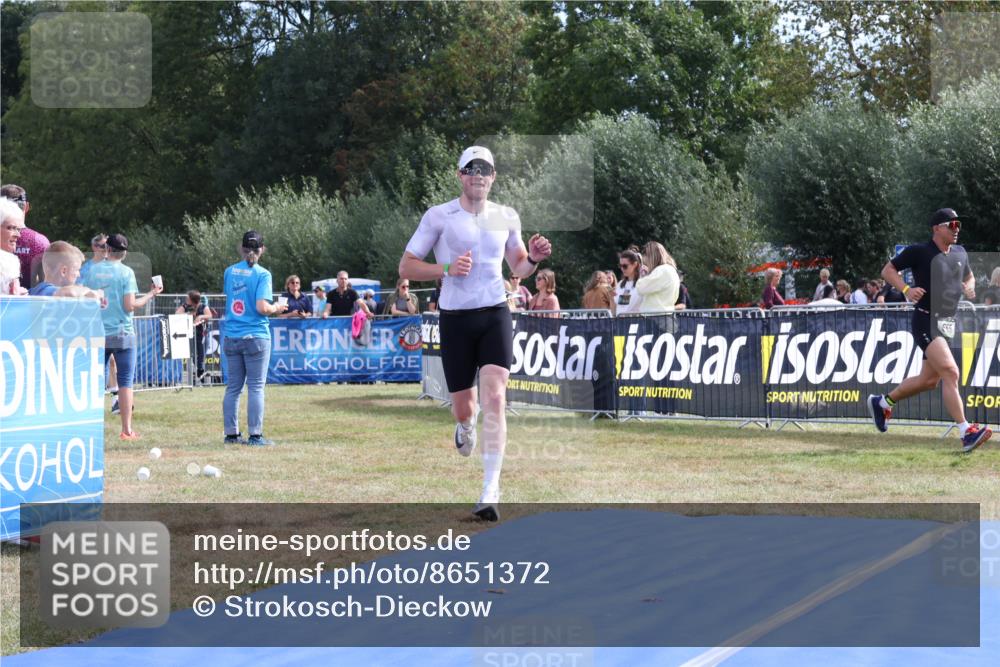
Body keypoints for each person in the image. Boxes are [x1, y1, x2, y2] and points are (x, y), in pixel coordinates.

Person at [399, 145, 552, 521]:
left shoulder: (506, 216)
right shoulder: (439, 216)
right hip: (455, 318)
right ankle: (465, 426)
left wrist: (533, 258)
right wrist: (445, 269)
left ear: (493, 176)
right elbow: (406, 265)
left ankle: (490, 490)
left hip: (496, 312)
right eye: (471, 168)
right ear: (460, 175)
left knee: (496, 397)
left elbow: (518, 265)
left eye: (485, 169)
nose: (478, 175)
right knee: (465, 408)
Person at [868, 208, 991, 452]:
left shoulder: (960, 252)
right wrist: (906, 290)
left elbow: (970, 276)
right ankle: (966, 431)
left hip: (947, 324)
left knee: (929, 380)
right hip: (926, 320)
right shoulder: (919, 251)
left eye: (958, 225)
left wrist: (969, 286)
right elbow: (887, 271)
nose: (957, 229)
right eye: (952, 225)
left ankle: (882, 402)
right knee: (951, 372)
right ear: (937, 228)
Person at [83, 233, 162, 440]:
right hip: (122, 333)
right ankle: (127, 430)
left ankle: (89, 429)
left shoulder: (90, 270)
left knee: (94, 382)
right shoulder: (126, 272)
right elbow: (130, 306)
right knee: (125, 381)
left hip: (96, 332)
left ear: (107, 249)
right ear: (125, 253)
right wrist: (151, 294)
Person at [222, 231, 288, 446]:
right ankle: (255, 436)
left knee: (233, 388)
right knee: (256, 387)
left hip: (232, 335)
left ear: (241, 249)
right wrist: (276, 307)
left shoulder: (229, 271)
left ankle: (231, 435)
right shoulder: (263, 274)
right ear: (262, 250)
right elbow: (262, 307)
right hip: (256, 336)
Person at [1, 185, 49, 289]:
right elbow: (45, 284)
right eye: (10, 228)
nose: (17, 235)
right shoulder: (40, 241)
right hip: (30, 298)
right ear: (26, 207)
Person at [28, 241, 103, 299]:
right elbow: (67, 293)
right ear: (63, 271)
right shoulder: (45, 290)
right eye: (77, 270)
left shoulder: (36, 291)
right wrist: (90, 291)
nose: (78, 275)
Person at [176, 290, 213, 381]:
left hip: (202, 334)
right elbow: (177, 314)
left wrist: (200, 316)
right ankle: (199, 373)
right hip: (190, 335)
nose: (186, 299)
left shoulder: (203, 306)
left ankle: (201, 373)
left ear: (193, 300)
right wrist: (188, 314)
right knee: (192, 354)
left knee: (202, 354)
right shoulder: (185, 306)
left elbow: (209, 315)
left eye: (188, 298)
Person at [636, 241, 680, 313]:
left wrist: (642, 276)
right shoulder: (671, 270)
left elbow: (640, 288)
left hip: (655, 315)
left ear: (650, 256)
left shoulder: (661, 271)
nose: (645, 263)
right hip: (666, 313)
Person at [0, 197, 25, 295]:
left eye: (18, 229)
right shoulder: (10, 262)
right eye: (11, 228)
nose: (18, 235)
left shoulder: (11, 261)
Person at [615, 246, 644, 315]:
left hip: (636, 320)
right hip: (620, 320)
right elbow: (618, 308)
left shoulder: (642, 283)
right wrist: (610, 298)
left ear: (635, 264)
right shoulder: (620, 284)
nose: (622, 269)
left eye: (625, 266)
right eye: (620, 266)